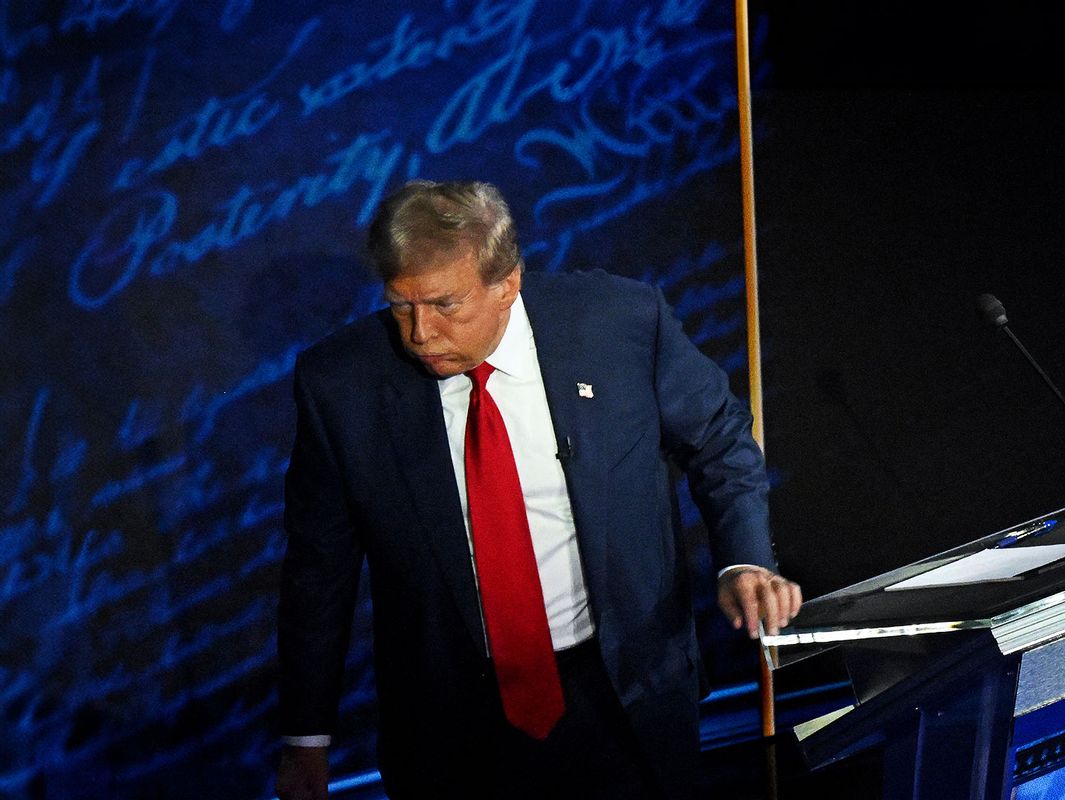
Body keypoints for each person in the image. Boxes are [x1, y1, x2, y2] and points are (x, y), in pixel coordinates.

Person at [275, 180, 802, 799]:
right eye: (400, 306)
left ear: (507, 284)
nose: (419, 333)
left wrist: (743, 559)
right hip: (454, 729)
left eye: (445, 305)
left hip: (623, 695)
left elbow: (718, 438)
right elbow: (320, 569)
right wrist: (306, 738)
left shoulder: (617, 324)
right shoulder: (341, 384)